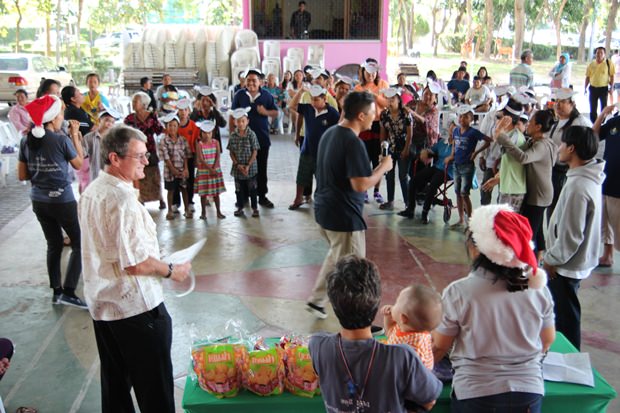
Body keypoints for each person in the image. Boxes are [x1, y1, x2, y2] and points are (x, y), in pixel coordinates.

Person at [78, 124, 191, 413]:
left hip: (104, 305)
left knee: (116, 387)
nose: (146, 161)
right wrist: (170, 270)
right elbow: (135, 263)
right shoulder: (122, 198)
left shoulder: (93, 190)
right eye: (139, 156)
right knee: (155, 389)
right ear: (115, 159)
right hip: (136, 310)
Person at [433, 204, 555, 413]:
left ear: (477, 248)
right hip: (528, 393)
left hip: (475, 394)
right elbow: (547, 340)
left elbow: (439, 347)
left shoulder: (460, 292)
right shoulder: (538, 289)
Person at [309, 255, 442, 413]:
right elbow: (428, 401)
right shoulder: (402, 357)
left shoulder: (318, 345)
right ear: (377, 301)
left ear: (333, 305)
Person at [306, 91, 393, 319]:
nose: (376, 117)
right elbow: (360, 185)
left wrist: (377, 168)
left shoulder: (331, 133)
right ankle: (358, 320)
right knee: (354, 272)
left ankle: (316, 300)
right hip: (344, 217)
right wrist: (384, 168)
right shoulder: (353, 143)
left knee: (338, 257)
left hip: (324, 212)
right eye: (374, 113)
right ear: (362, 115)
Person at [17, 95, 87, 309]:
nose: (63, 117)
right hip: (62, 201)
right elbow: (78, 163)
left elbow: (22, 175)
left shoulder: (25, 140)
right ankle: (69, 291)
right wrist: (75, 135)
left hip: (39, 200)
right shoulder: (60, 140)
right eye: (61, 114)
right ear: (53, 117)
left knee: (54, 244)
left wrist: (41, 173)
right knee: (80, 243)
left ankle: (56, 291)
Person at [543, 125, 604, 350]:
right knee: (563, 316)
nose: (558, 148)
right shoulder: (586, 176)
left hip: (566, 265)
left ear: (572, 148)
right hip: (572, 261)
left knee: (566, 322)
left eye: (562, 144)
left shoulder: (579, 186)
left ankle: (569, 360)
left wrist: (551, 259)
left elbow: (571, 235)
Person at [495, 109, 557, 260]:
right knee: (537, 227)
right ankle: (540, 255)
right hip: (539, 192)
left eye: (531, 122)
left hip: (539, 194)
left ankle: (529, 263)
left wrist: (503, 138)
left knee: (529, 232)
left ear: (538, 127)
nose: (527, 124)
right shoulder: (535, 141)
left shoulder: (542, 145)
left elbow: (523, 158)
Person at [231, 68, 279, 208]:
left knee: (261, 169)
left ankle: (262, 196)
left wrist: (265, 112)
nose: (251, 82)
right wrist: (232, 134)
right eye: (248, 80)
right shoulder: (239, 95)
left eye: (254, 80)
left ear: (260, 82)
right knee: (243, 169)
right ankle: (243, 196)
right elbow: (233, 114)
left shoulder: (267, 96)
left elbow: (276, 112)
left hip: (262, 139)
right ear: (245, 81)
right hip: (242, 141)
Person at [288, 84, 340, 210]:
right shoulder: (308, 108)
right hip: (307, 149)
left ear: (324, 99)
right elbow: (292, 106)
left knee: (322, 178)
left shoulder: (332, 113)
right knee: (302, 176)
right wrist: (300, 91)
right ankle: (298, 198)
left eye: (316, 99)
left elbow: (338, 130)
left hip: (323, 152)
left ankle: (323, 200)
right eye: (312, 98)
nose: (313, 102)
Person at [546, 88, 592, 220]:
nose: (557, 105)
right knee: (552, 210)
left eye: (562, 102)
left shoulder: (580, 124)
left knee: (562, 212)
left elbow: (585, 152)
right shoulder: (557, 121)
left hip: (569, 173)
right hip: (554, 171)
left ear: (572, 104)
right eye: (556, 101)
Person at [444, 105, 491, 229]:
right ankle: (461, 220)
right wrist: (452, 155)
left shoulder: (473, 132)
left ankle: (470, 221)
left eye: (466, 117)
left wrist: (476, 152)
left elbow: (488, 140)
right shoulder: (455, 131)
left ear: (471, 119)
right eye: (460, 117)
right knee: (458, 193)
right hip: (456, 165)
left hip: (467, 166)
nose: (462, 119)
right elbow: (454, 143)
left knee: (465, 194)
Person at [381, 284, 443, 371]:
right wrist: (388, 316)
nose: (392, 306)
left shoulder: (411, 349)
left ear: (403, 318)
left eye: (396, 302)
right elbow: (390, 333)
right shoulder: (409, 327)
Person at [354, 59, 390, 204]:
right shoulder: (358, 88)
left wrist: (375, 96)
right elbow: (356, 107)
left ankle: (376, 191)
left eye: (374, 72)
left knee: (378, 159)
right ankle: (363, 192)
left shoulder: (383, 85)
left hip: (379, 125)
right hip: (363, 125)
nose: (371, 75)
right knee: (364, 159)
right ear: (363, 72)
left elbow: (387, 104)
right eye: (368, 72)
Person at [481, 102, 527, 212]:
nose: (497, 121)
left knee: (506, 226)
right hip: (508, 186)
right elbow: (507, 163)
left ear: (507, 119)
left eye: (499, 118)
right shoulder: (510, 135)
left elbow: (497, 136)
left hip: (513, 188)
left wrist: (500, 128)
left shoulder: (515, 137)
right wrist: (497, 177)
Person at [399, 134, 454, 223]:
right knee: (413, 180)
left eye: (454, 130)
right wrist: (425, 153)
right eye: (450, 130)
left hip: (448, 171)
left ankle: (425, 212)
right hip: (437, 167)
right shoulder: (442, 142)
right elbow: (431, 151)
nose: (451, 133)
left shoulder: (457, 145)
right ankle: (410, 209)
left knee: (432, 185)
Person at [124, 91, 165, 209]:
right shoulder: (130, 118)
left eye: (135, 101)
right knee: (138, 174)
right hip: (136, 151)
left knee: (154, 175)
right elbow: (126, 134)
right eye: (133, 101)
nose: (133, 103)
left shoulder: (152, 116)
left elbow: (158, 130)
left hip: (150, 150)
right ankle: (141, 198)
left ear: (143, 104)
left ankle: (160, 198)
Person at [593, 104, 620, 267]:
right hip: (606, 178)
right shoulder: (614, 122)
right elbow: (594, 135)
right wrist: (602, 114)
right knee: (604, 222)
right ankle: (607, 255)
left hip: (618, 185)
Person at [378, 87, 412, 210]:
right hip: (390, 147)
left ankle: (408, 203)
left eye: (393, 99)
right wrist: (383, 151)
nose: (390, 101)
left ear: (398, 99)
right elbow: (383, 133)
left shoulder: (405, 114)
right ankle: (390, 201)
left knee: (403, 176)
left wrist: (406, 149)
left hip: (403, 147)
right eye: (388, 99)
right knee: (389, 175)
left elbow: (409, 134)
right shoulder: (384, 115)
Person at [228, 107, 260, 218]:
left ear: (247, 121)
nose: (240, 123)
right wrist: (238, 165)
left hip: (250, 168)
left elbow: (255, 151)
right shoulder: (232, 136)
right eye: (238, 121)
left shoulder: (252, 135)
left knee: (253, 189)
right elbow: (231, 152)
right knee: (238, 189)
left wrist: (247, 166)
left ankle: (255, 208)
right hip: (238, 169)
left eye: (243, 121)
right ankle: (240, 207)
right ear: (234, 122)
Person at [159, 114, 191, 220]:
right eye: (170, 125)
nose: (172, 128)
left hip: (182, 169)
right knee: (171, 190)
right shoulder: (163, 141)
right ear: (166, 127)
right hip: (170, 171)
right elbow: (166, 157)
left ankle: (187, 210)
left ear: (178, 127)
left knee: (184, 189)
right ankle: (170, 211)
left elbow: (186, 155)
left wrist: (186, 169)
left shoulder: (183, 140)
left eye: (174, 125)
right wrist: (173, 170)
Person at [195, 120, 226, 220]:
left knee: (216, 193)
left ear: (212, 132)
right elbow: (201, 159)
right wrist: (210, 169)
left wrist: (215, 167)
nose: (207, 135)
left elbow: (218, 155)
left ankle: (218, 211)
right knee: (203, 194)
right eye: (204, 133)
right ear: (201, 133)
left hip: (214, 170)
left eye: (209, 132)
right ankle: (203, 212)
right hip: (204, 172)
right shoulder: (199, 144)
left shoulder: (216, 142)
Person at [83, 108, 121, 185]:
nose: (110, 124)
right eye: (107, 120)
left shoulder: (116, 139)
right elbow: (83, 154)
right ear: (99, 120)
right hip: (96, 175)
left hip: (112, 176)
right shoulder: (89, 137)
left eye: (112, 122)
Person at [177, 98, 200, 211]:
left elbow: (196, 142)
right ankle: (175, 203)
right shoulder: (174, 125)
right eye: (180, 110)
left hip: (189, 157)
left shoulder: (193, 126)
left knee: (190, 179)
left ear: (189, 111)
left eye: (185, 110)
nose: (182, 112)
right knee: (176, 180)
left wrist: (197, 159)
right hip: (176, 157)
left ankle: (190, 201)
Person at [585, 46, 615, 123]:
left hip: (603, 89)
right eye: (597, 52)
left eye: (601, 53)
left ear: (604, 54)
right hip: (592, 88)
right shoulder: (591, 64)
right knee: (593, 108)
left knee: (603, 107)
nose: (599, 54)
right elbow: (587, 77)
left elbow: (612, 76)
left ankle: (602, 122)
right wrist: (585, 88)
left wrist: (611, 88)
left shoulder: (609, 63)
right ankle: (594, 123)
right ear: (595, 54)